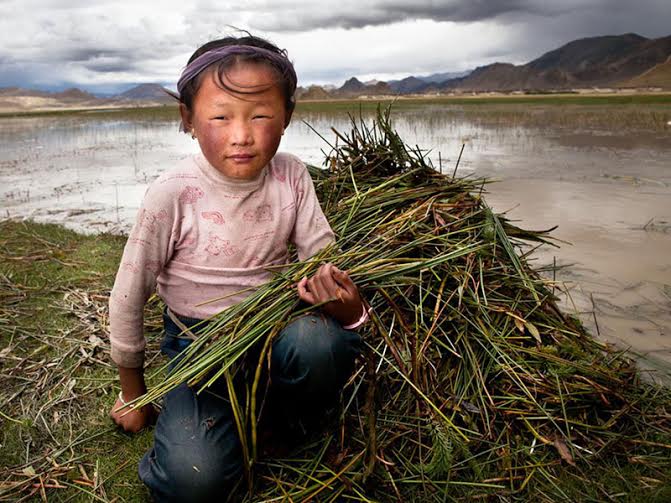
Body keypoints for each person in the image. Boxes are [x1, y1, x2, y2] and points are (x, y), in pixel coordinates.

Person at [107, 34, 368, 501]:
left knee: (320, 344)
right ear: (187, 119)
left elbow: (325, 263)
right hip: (200, 350)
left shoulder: (291, 176)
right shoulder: (173, 193)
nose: (242, 134)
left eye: (261, 115)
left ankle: (281, 419)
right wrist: (133, 394)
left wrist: (350, 313)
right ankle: (221, 421)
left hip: (276, 331)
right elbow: (127, 296)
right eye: (221, 116)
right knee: (193, 480)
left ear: (287, 117)